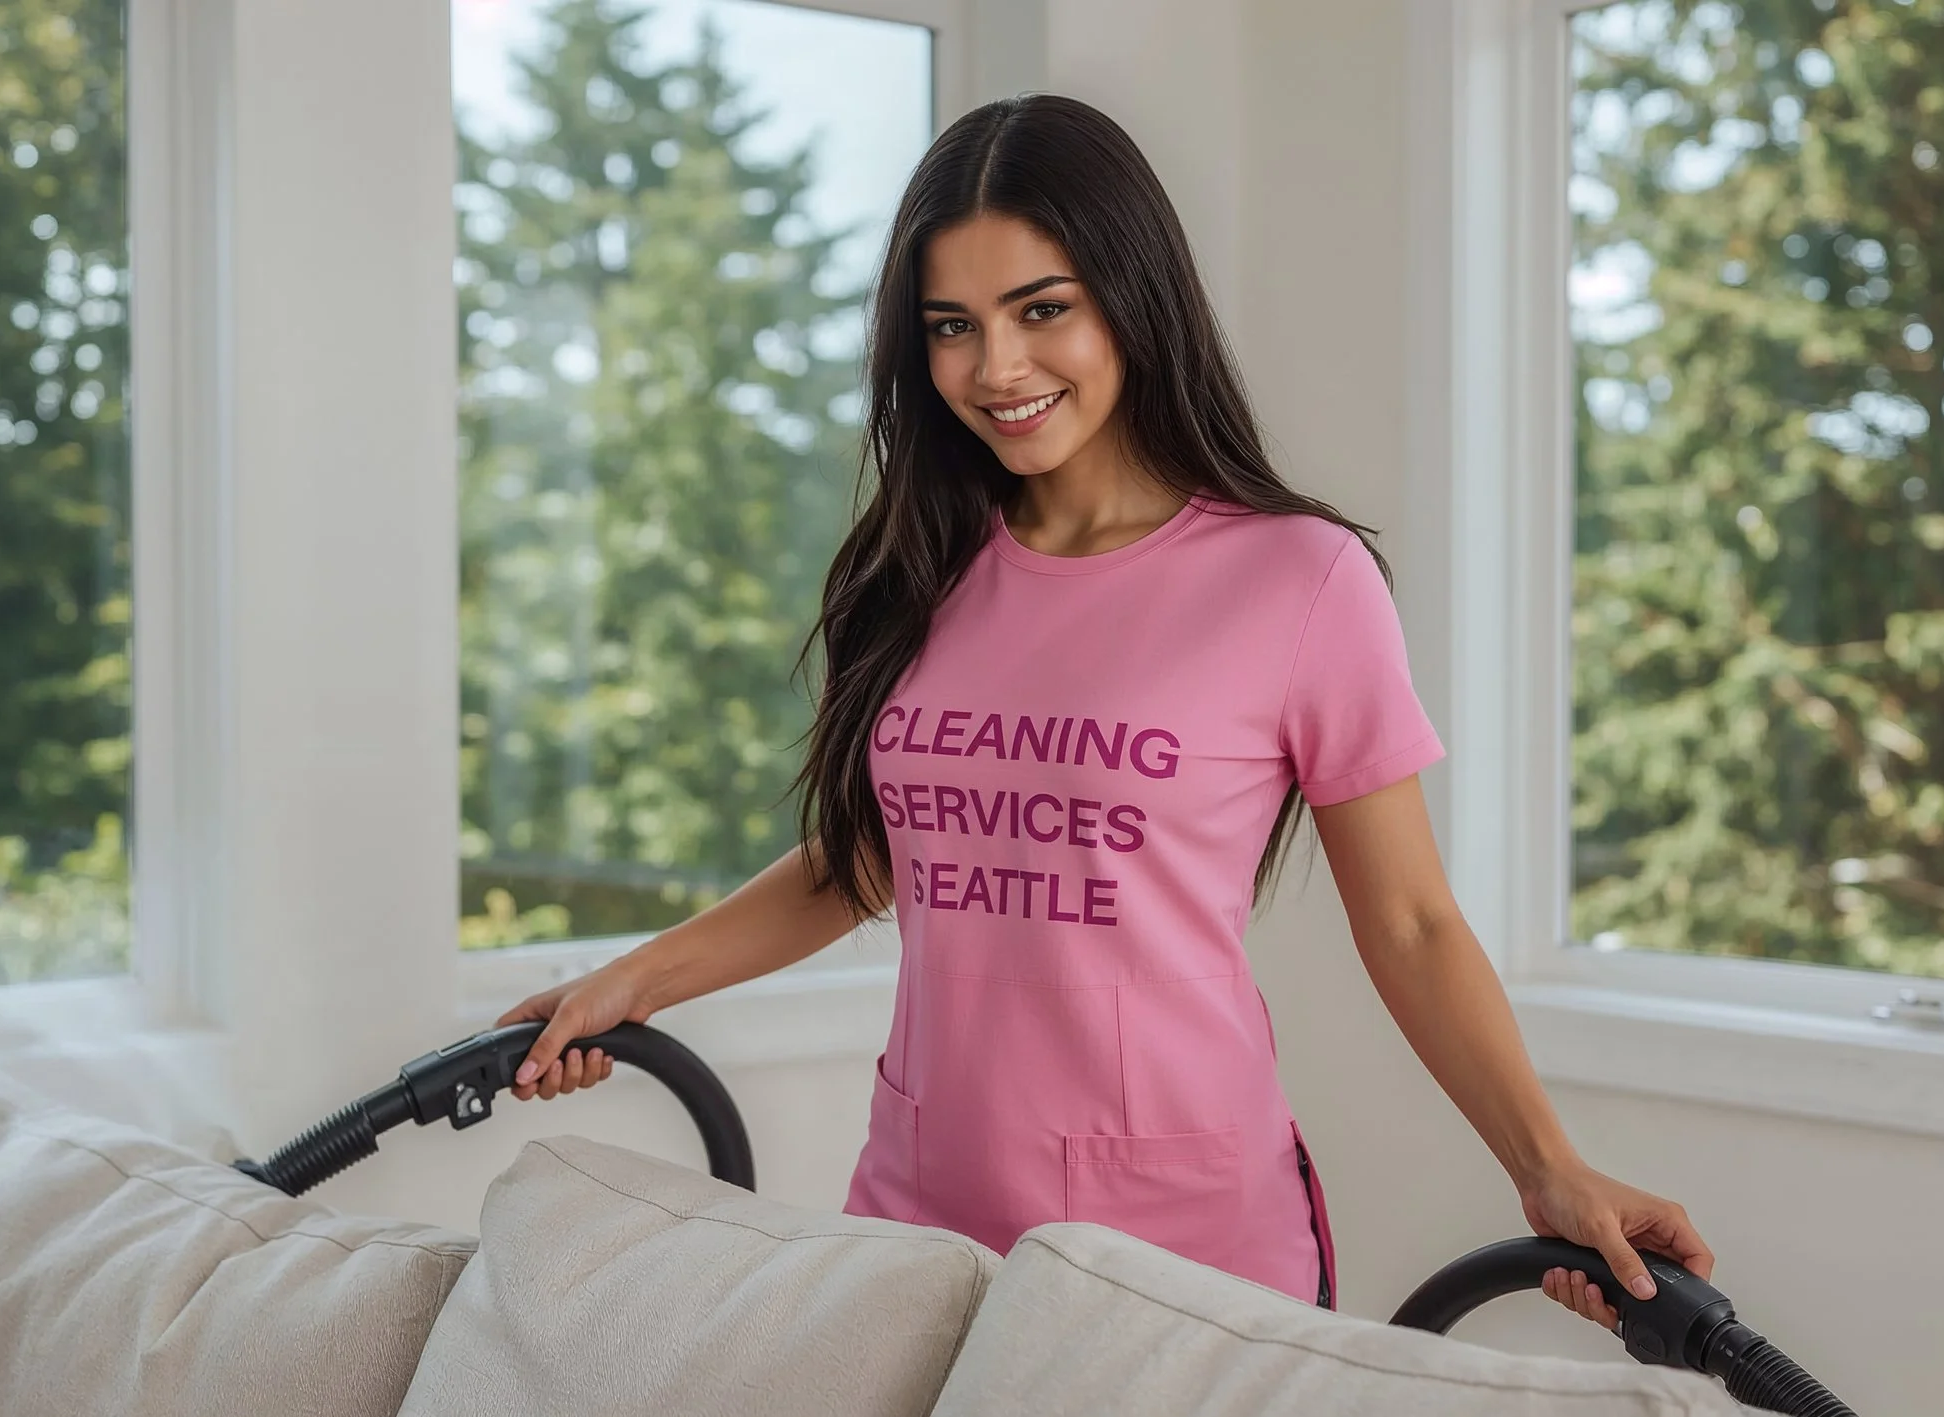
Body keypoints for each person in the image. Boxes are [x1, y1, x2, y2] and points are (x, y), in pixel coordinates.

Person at [496, 92, 1709, 1329]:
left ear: (1132, 297)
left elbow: (1409, 920)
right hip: (917, 1223)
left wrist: (1545, 1164)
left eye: (1042, 309)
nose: (996, 368)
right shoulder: (916, 565)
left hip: (1183, 1249)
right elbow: (870, 856)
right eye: (952, 326)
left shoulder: (1298, 578)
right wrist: (632, 981)